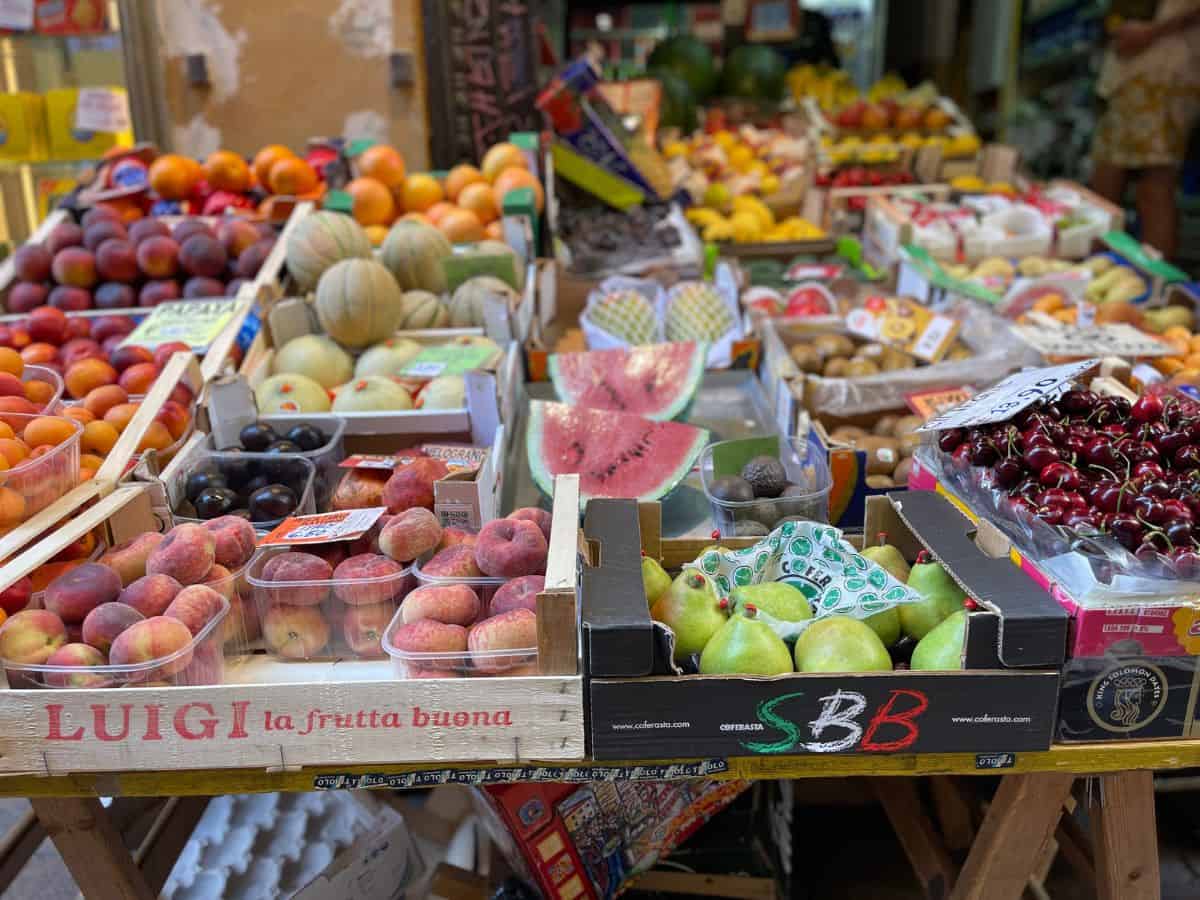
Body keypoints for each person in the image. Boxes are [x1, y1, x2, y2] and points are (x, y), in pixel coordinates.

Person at [1090, 0, 1200, 259]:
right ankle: (1099, 266)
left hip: (1164, 70)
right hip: (1134, 72)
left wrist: (1152, 31)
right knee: (1108, 178)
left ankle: (1157, 281)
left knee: (1155, 183)